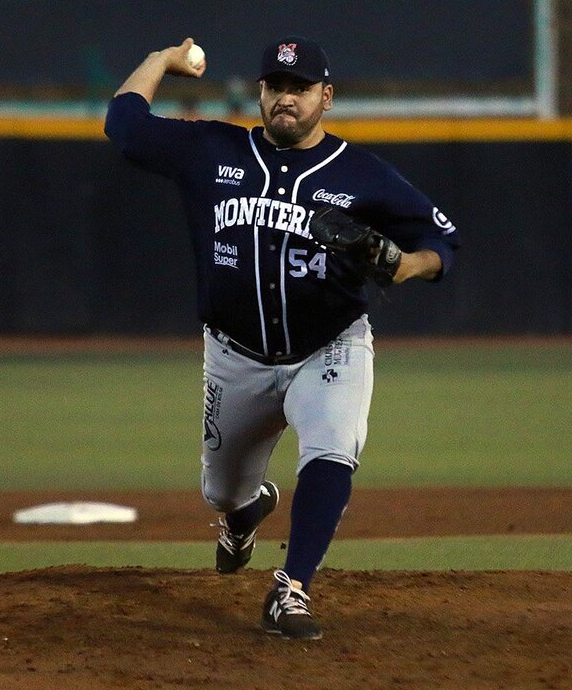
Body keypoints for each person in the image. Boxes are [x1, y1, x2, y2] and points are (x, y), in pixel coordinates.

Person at [103, 36, 459, 640]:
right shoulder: (212, 150)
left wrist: (407, 265)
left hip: (329, 346)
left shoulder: (361, 173)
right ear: (261, 93)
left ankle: (291, 589)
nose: (285, 99)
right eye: (275, 87)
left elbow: (443, 242)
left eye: (300, 88)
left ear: (326, 97)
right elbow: (124, 125)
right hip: (234, 357)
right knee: (221, 490)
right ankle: (244, 512)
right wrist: (161, 61)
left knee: (331, 450)